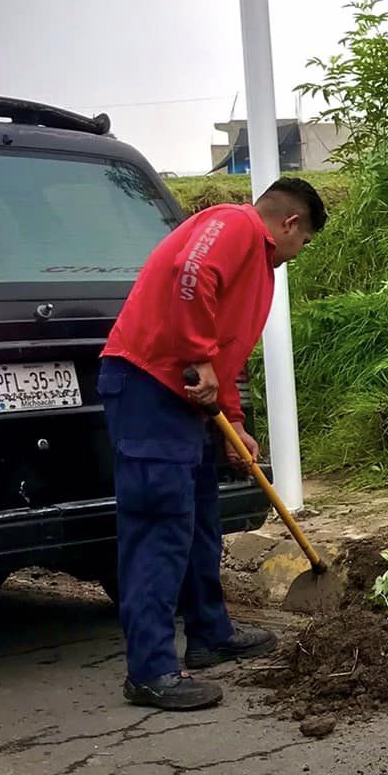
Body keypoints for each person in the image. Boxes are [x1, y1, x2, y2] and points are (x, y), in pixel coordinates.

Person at [98, 177, 327, 711]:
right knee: (160, 524)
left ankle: (209, 633)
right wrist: (197, 353)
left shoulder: (259, 269)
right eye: (305, 241)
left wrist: (234, 420)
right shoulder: (236, 224)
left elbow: (227, 354)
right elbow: (190, 274)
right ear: (290, 223)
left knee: (200, 518)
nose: (299, 253)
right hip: (148, 387)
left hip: (190, 398)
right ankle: (150, 671)